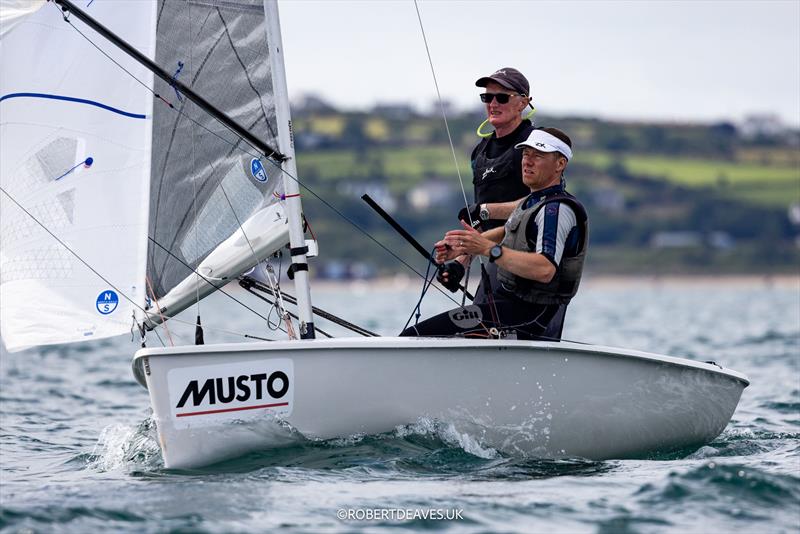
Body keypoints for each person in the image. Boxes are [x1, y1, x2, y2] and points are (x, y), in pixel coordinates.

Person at [402, 127, 588, 340]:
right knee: (421, 334)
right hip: (506, 308)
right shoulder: (533, 202)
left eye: (538, 155)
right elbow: (507, 231)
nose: (527, 161)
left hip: (527, 316)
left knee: (417, 336)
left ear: (560, 164)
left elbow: (545, 269)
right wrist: (464, 246)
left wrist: (488, 249)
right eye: (526, 154)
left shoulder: (555, 210)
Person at [439, 67, 535, 305]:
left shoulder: (535, 145)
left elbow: (543, 204)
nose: (493, 103)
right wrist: (460, 262)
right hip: (492, 259)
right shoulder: (480, 152)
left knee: (480, 329)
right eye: (487, 97)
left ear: (523, 103)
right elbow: (481, 226)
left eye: (502, 97)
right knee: (474, 330)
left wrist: (484, 209)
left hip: (528, 264)